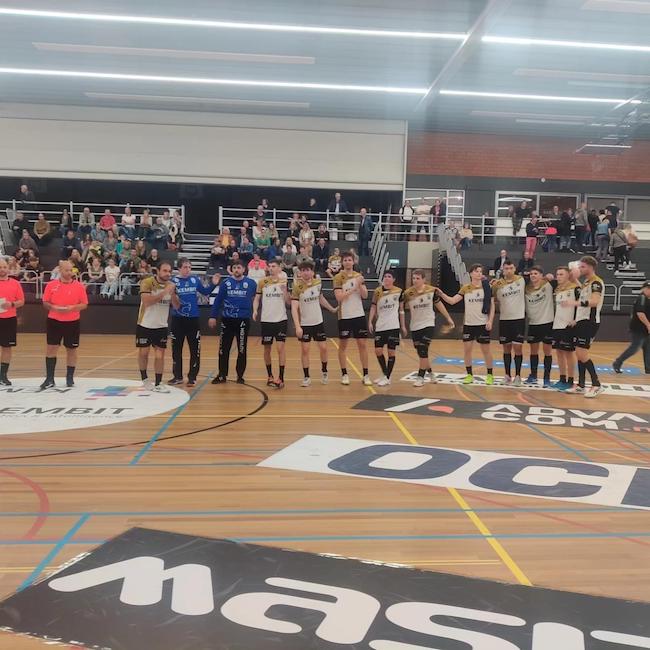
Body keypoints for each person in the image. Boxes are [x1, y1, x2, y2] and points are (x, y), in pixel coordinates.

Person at [437, 263, 495, 385]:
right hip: (469, 325)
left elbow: (492, 305)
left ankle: (490, 375)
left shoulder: (487, 287)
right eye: (476, 271)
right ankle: (469, 375)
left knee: (486, 351)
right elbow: (452, 301)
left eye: (480, 271)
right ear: (471, 273)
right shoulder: (465, 288)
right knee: (467, 350)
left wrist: (490, 320)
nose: (479, 273)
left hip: (482, 324)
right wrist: (442, 294)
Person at [167, 258, 219, 387]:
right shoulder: (173, 281)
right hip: (177, 319)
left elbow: (205, 292)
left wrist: (213, 284)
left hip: (193, 319)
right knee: (176, 349)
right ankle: (177, 376)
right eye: (185, 267)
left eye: (189, 267)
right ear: (179, 268)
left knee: (195, 349)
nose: (188, 270)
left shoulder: (194, 280)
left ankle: (192, 377)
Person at [40, 259, 89, 389]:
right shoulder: (51, 285)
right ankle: (49, 379)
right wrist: (54, 308)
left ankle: (70, 378)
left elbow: (84, 304)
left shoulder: (79, 286)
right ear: (60, 270)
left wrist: (72, 308)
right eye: (66, 270)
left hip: (72, 322)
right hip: (54, 321)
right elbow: (45, 302)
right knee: (51, 348)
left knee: (71, 350)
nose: (69, 273)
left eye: (70, 270)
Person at [562, 256, 604, 398]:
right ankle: (581, 385)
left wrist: (574, 303)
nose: (580, 269)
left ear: (590, 267)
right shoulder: (586, 283)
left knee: (582, 354)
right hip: (581, 321)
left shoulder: (596, 282)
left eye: (583, 267)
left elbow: (594, 301)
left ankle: (596, 384)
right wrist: (574, 279)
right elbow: (582, 292)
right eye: (580, 267)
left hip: (589, 322)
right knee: (579, 354)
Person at [208, 259, 257, 384]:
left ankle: (240, 376)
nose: (236, 270)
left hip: (243, 320)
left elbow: (255, 299)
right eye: (234, 267)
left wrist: (255, 310)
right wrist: (213, 316)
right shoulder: (226, 283)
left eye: (239, 267)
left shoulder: (251, 283)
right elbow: (218, 300)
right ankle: (222, 375)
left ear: (244, 269)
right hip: (227, 320)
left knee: (242, 349)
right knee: (223, 349)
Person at [404, 269, 454, 387]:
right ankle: (431, 373)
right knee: (422, 353)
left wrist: (448, 318)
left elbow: (439, 305)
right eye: (413, 278)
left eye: (417, 278)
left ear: (424, 279)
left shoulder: (432, 291)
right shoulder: (407, 293)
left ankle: (420, 377)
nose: (415, 280)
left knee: (423, 349)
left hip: (428, 324)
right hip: (415, 326)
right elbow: (400, 305)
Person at [291, 260, 337, 387]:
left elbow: (321, 298)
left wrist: (332, 309)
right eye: (303, 270)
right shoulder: (297, 287)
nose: (306, 273)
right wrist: (298, 326)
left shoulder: (318, 283)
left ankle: (324, 371)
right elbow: (294, 308)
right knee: (305, 350)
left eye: (308, 270)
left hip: (318, 322)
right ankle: (306, 377)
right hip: (305, 324)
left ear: (312, 272)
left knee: (323, 348)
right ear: (300, 273)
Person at [136, 261, 179, 392]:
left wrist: (172, 294)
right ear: (158, 271)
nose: (168, 274)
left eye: (169, 271)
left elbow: (177, 306)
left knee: (160, 355)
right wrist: (164, 292)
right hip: (145, 324)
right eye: (165, 271)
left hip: (161, 326)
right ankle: (144, 379)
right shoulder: (147, 282)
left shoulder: (171, 285)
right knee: (144, 353)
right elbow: (147, 302)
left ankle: (158, 383)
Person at [333, 251, 371, 386]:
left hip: (359, 315)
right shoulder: (338, 277)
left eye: (349, 260)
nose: (347, 262)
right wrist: (354, 286)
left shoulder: (358, 276)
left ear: (353, 261)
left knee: (362, 345)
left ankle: (366, 374)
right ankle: (344, 374)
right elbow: (339, 297)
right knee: (343, 345)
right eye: (345, 260)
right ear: (342, 263)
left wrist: (359, 283)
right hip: (345, 316)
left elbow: (365, 295)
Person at [253, 258, 289, 388]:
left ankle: (281, 377)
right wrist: (255, 310)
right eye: (270, 266)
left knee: (280, 348)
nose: (271, 268)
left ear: (279, 268)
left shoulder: (284, 281)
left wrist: (284, 291)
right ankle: (270, 376)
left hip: (281, 320)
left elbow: (288, 302)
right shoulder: (262, 282)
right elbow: (257, 298)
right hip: (266, 320)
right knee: (267, 349)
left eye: (274, 266)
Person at [367, 270, 406, 386]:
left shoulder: (399, 291)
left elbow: (401, 310)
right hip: (380, 326)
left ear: (393, 279)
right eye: (385, 276)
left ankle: (387, 377)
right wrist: (370, 321)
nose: (386, 278)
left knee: (391, 352)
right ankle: (385, 374)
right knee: (378, 351)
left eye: (389, 276)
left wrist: (403, 326)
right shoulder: (377, 291)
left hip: (393, 326)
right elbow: (373, 307)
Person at [492, 260, 527, 386]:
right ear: (503, 269)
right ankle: (507, 375)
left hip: (518, 319)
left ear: (515, 268)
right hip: (504, 319)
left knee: (518, 348)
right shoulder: (497, 284)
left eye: (511, 268)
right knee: (506, 348)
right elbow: (493, 300)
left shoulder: (521, 280)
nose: (509, 270)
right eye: (506, 268)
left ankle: (518, 376)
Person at [524, 266, 555, 387]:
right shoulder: (526, 288)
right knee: (533, 352)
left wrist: (551, 277)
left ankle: (547, 378)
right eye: (531, 273)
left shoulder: (548, 284)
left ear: (541, 275)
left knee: (547, 352)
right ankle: (533, 375)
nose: (533, 275)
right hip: (533, 323)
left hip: (547, 322)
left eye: (536, 273)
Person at [550, 266, 581, 391]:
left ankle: (570, 380)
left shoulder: (575, 288)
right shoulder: (557, 289)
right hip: (557, 324)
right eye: (557, 274)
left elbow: (582, 304)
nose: (558, 276)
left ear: (568, 275)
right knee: (559, 353)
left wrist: (576, 319)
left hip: (568, 325)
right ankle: (562, 379)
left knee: (568, 353)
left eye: (561, 274)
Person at [613, 281, 650, 375]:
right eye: (648, 288)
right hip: (638, 329)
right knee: (634, 348)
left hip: (644, 329)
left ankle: (648, 368)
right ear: (644, 288)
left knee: (648, 348)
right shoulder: (642, 298)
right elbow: (640, 313)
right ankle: (618, 362)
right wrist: (648, 325)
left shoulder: (647, 299)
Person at [0, 258, 25, 385]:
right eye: (0, 267)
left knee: (7, 347)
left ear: (8, 268)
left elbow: (21, 301)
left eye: (4, 267)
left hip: (9, 319)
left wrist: (12, 304)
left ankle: (3, 376)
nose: (2, 269)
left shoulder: (15, 283)